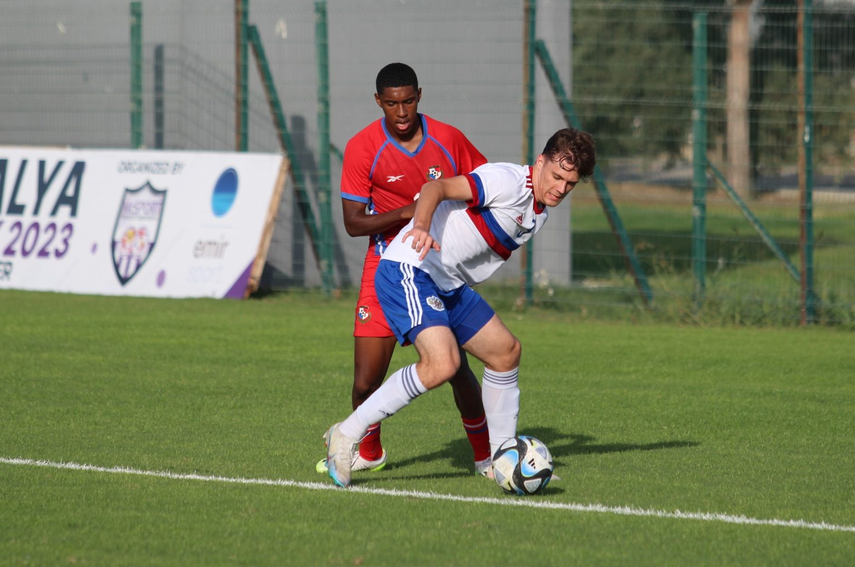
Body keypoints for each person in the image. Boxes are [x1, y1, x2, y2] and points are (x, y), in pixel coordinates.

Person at [324, 127, 597, 487]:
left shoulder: (539, 209)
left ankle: (500, 460)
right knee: (442, 364)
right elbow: (434, 188)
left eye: (570, 183)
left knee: (506, 352)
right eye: (557, 176)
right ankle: (346, 433)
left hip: (447, 282)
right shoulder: (508, 182)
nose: (561, 188)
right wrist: (422, 227)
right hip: (411, 267)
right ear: (540, 161)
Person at [316, 63, 493, 477]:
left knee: (457, 369)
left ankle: (487, 458)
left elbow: (483, 186)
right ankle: (370, 451)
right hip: (385, 267)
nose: (401, 112)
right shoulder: (363, 147)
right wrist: (408, 213)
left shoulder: (448, 139)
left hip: (437, 265)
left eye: (409, 101)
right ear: (378, 101)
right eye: (392, 103)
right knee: (365, 382)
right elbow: (353, 223)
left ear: (419, 96)